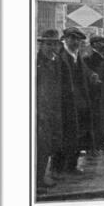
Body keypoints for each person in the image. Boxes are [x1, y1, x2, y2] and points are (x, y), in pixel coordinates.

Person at [55, 27, 93, 175]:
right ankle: (58, 167)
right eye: (73, 39)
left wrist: (92, 75)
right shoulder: (60, 55)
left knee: (78, 133)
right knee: (64, 134)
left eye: (78, 39)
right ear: (65, 39)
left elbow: (84, 71)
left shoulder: (77, 55)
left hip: (80, 102)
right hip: (65, 103)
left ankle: (71, 165)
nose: (76, 42)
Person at [36, 29, 62, 191]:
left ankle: (41, 176)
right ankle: (36, 181)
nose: (52, 47)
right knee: (39, 146)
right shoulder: (37, 63)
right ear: (42, 45)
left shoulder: (54, 61)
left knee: (46, 146)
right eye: (48, 44)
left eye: (54, 44)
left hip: (51, 110)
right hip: (38, 112)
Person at [84, 35, 104, 153]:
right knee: (96, 120)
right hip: (95, 93)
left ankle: (99, 143)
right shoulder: (90, 57)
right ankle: (95, 145)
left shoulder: (102, 56)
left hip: (102, 92)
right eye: (101, 42)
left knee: (101, 119)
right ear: (94, 44)